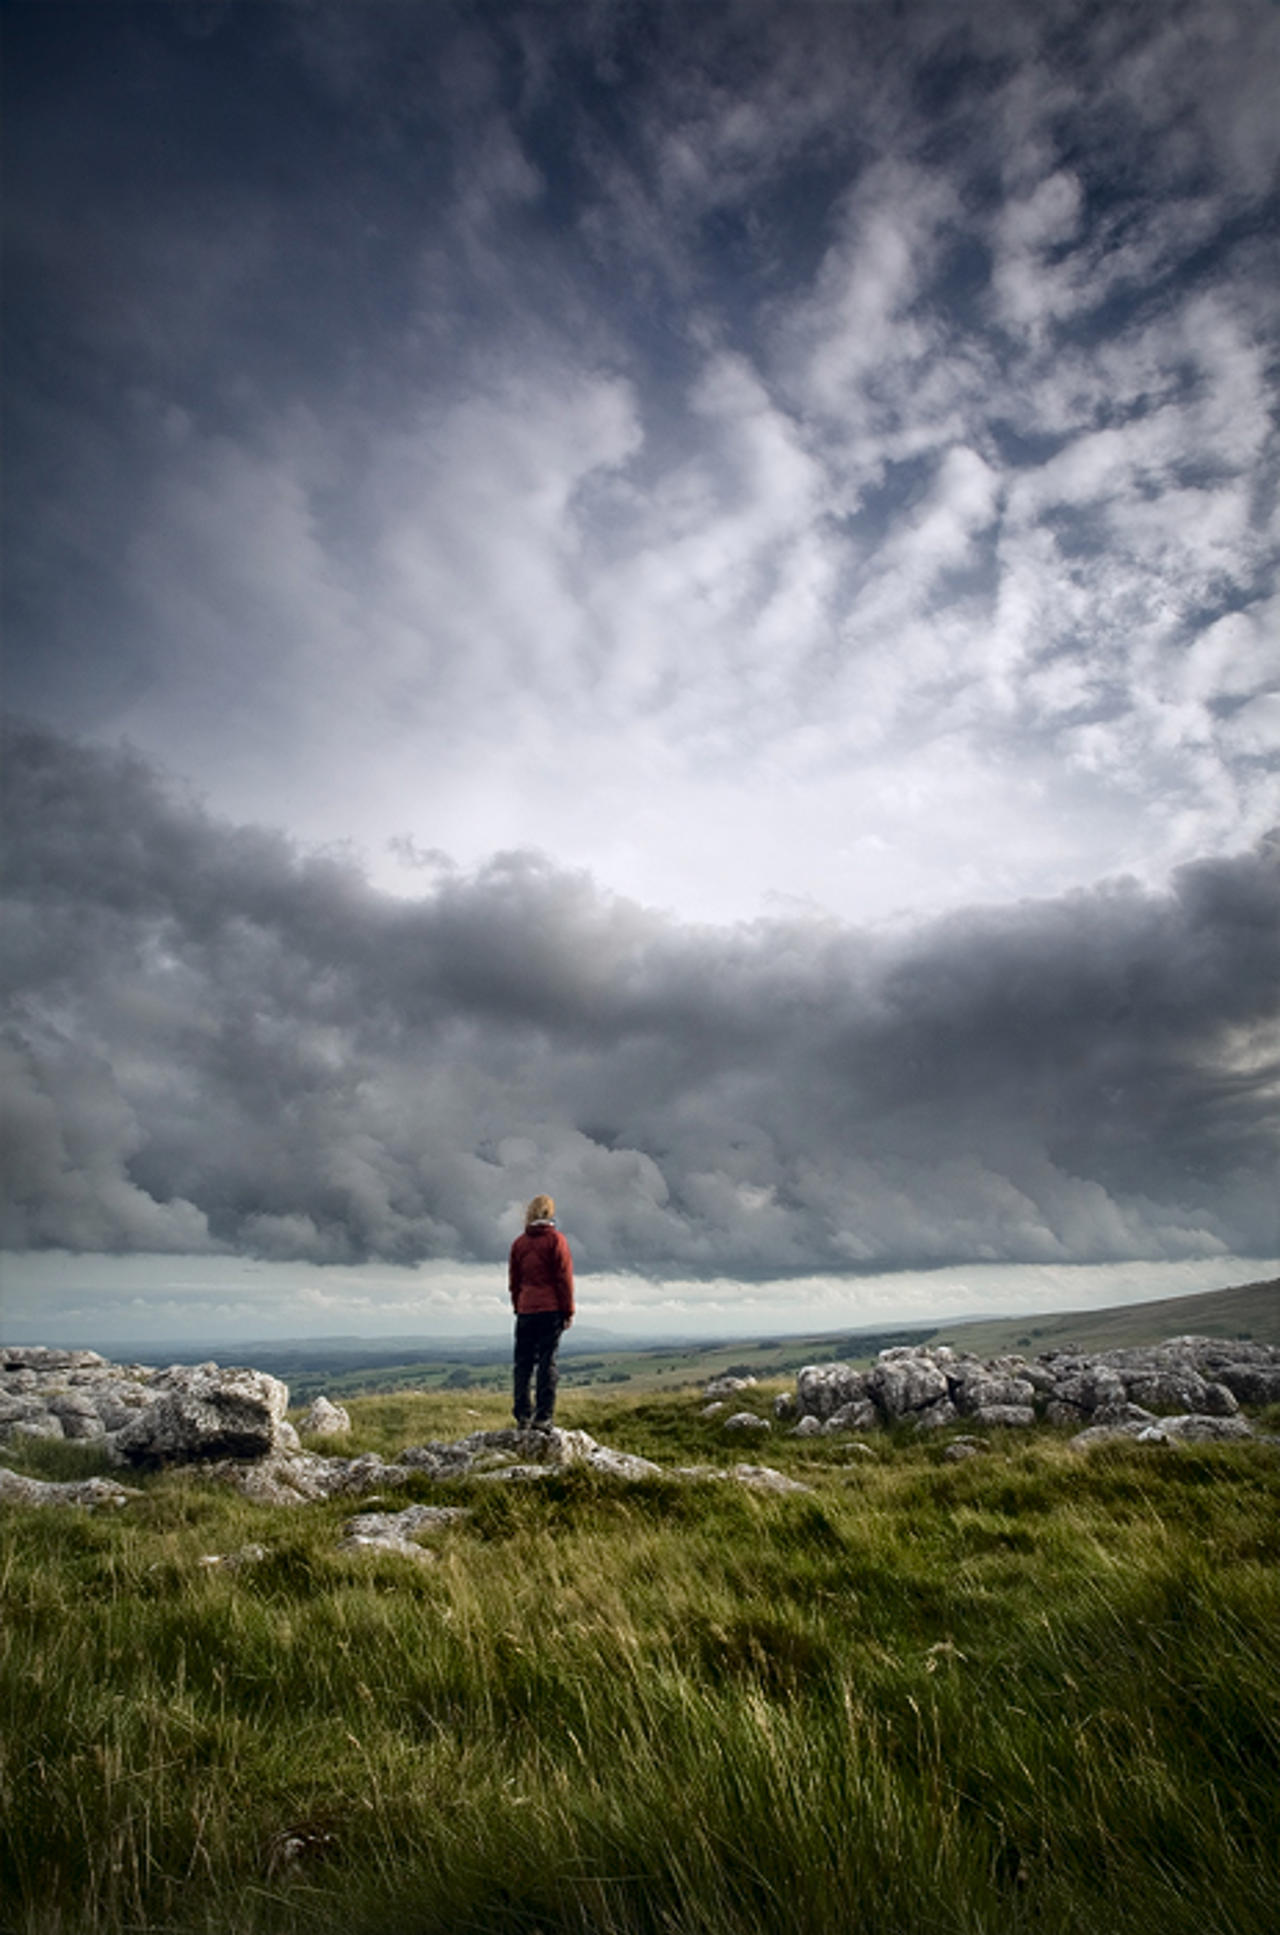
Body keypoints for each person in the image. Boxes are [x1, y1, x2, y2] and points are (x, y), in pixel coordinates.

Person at [508, 1193, 575, 1430]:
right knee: (548, 1362)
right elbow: (564, 1279)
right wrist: (568, 1311)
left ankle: (522, 1414)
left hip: (526, 1310)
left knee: (523, 1364)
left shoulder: (519, 1244)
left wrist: (519, 1305)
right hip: (551, 1309)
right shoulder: (556, 1241)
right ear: (550, 1213)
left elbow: (514, 1281)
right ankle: (543, 1416)